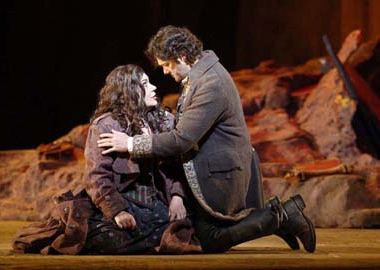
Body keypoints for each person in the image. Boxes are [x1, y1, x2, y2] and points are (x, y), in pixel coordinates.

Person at [97, 25, 316, 253]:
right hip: (213, 165)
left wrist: (131, 143)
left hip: (221, 173)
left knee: (211, 238)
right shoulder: (202, 75)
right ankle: (278, 220)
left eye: (166, 65)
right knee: (201, 232)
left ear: (182, 56)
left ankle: (282, 217)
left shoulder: (211, 84)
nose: (164, 72)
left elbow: (182, 139)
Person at [83, 64, 195, 254]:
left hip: (159, 201)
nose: (154, 88)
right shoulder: (107, 125)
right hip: (126, 200)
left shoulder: (165, 121)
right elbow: (97, 176)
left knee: (181, 228)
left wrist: (177, 197)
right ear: (129, 91)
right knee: (103, 234)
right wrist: (117, 211)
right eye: (145, 84)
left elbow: (179, 165)